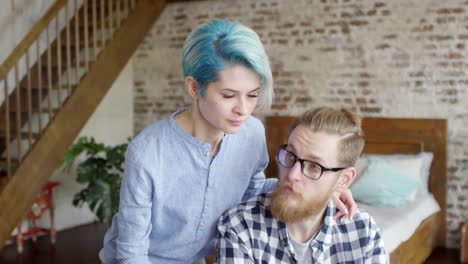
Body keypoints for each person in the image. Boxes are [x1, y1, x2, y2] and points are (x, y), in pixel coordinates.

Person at [99, 20, 356, 264]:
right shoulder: (146, 153)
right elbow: (131, 252)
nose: (243, 109)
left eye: (252, 95)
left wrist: (323, 188)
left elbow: (252, 192)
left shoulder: (252, 132)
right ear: (193, 88)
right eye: (229, 95)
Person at [215, 107, 387, 264]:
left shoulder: (363, 232)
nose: (292, 174)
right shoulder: (241, 226)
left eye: (314, 166)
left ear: (343, 180)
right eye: (290, 156)